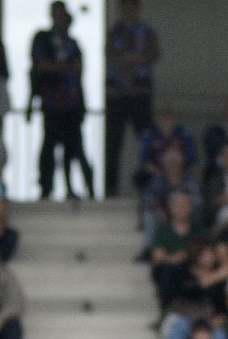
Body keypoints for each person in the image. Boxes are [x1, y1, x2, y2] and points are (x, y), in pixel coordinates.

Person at [29, 2, 95, 202]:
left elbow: (78, 69)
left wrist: (58, 68)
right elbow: (40, 66)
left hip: (72, 105)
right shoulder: (42, 39)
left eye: (63, 16)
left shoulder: (73, 43)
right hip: (51, 104)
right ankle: (45, 188)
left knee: (74, 148)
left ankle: (78, 188)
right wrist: (63, 67)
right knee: (49, 147)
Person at [103, 0, 160, 197]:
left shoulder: (147, 31)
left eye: (132, 7)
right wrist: (135, 58)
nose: (128, 11)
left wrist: (129, 58)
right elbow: (111, 56)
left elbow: (152, 54)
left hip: (140, 94)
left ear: (137, 8)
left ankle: (150, 187)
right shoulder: (114, 32)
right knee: (113, 144)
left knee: (147, 143)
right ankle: (110, 189)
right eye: (124, 7)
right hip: (117, 95)